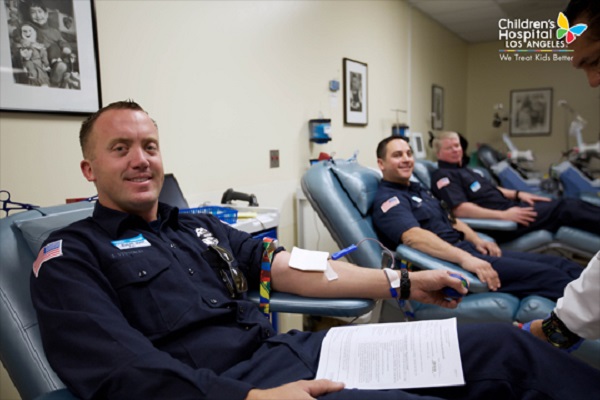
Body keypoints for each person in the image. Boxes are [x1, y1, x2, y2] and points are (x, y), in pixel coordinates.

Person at [30, 101, 600, 400]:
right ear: (89, 168)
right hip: (250, 388)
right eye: (120, 148)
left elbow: (290, 267)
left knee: (503, 348)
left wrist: (400, 283)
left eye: (149, 146)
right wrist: (247, 398)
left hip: (309, 352)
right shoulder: (72, 254)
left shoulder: (199, 226)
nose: (140, 159)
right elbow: (121, 371)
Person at [372, 136, 582, 301]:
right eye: (398, 155)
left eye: (409, 153)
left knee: (560, 264)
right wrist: (466, 259)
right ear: (381, 164)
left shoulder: (416, 188)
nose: (407, 159)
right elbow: (413, 237)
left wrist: (478, 240)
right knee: (551, 276)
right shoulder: (389, 199)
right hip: (450, 264)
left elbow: (451, 218)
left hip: (466, 250)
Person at [515, 0, 600, 351]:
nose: (593, 81)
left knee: (563, 206)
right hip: (509, 222)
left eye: (593, 61)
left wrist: (515, 196)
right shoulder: (442, 181)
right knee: (564, 208)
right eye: (398, 153)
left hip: (519, 207)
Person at [429, 131, 600, 244]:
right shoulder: (443, 176)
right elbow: (460, 209)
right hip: (502, 223)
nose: (456, 150)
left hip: (513, 209)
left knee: (568, 203)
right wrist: (503, 215)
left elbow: (492, 190)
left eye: (457, 146)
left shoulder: (466, 171)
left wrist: (519, 194)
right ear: (438, 153)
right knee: (565, 208)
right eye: (449, 148)